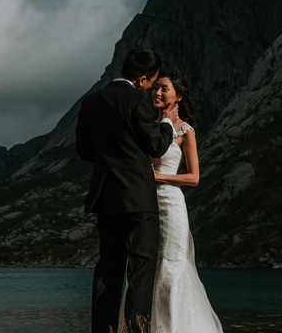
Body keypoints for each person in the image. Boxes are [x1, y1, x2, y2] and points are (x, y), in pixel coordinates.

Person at [75, 47, 177, 333]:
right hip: (139, 198)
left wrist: (109, 158)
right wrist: (167, 123)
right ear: (142, 79)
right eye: (152, 81)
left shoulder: (90, 101)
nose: (151, 87)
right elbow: (156, 145)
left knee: (108, 269)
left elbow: (83, 149)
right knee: (141, 271)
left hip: (106, 197)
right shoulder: (138, 101)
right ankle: (136, 330)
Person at [149, 69, 223, 333]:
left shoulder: (185, 130)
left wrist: (158, 177)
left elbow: (193, 178)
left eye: (164, 88)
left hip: (171, 205)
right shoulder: (148, 126)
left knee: (171, 268)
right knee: (149, 269)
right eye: (155, 87)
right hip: (146, 205)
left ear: (178, 96)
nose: (157, 92)